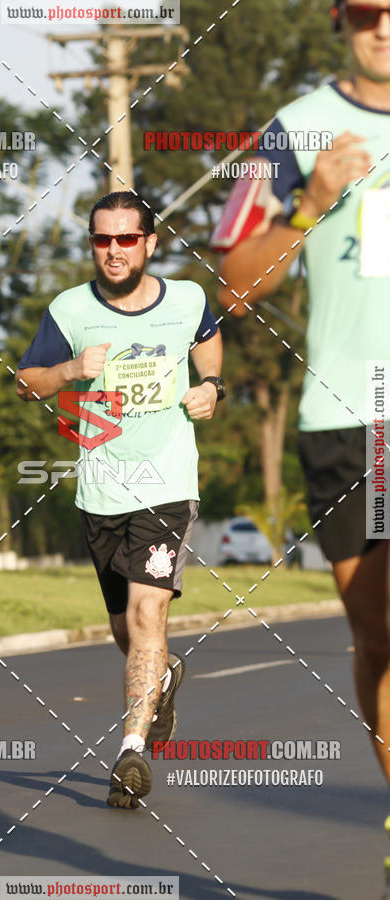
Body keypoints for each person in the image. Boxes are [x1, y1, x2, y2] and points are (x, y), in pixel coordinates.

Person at [214, 0, 390, 886]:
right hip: (352, 416)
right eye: (370, 11)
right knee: (379, 637)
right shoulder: (293, 133)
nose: (386, 26)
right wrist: (315, 203)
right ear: (341, 21)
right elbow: (233, 280)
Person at [16, 191, 224, 808]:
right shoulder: (69, 309)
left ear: (149, 244)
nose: (113, 251)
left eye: (126, 239)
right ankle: (160, 677)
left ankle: (131, 749)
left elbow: (208, 338)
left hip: (167, 486)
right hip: (100, 489)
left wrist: (211, 384)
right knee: (123, 628)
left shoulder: (186, 298)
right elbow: (27, 383)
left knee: (146, 618)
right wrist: (72, 369)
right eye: (101, 240)